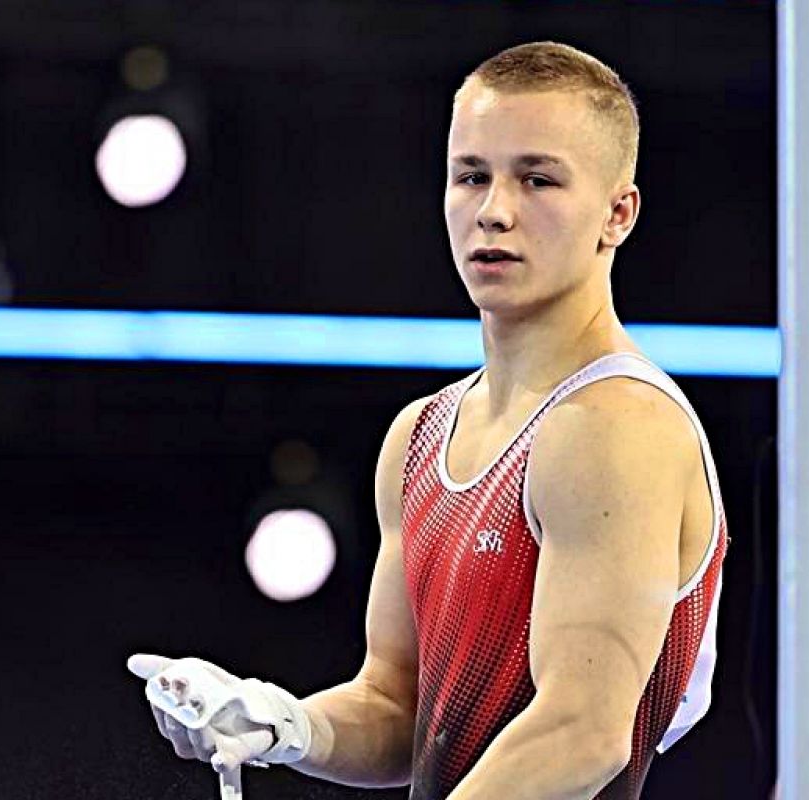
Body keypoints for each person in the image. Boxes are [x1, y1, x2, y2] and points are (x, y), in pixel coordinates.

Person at [128, 41, 728, 799]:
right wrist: (282, 723)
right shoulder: (420, 437)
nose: (494, 211)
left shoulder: (617, 425)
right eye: (471, 176)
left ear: (618, 214)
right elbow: (398, 709)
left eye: (537, 179)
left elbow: (581, 736)